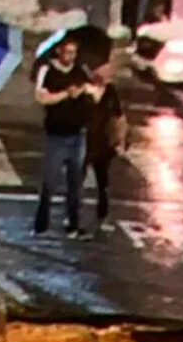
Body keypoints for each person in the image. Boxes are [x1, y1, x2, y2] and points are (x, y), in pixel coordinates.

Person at [33, 37, 92, 239]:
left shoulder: (80, 71)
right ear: (59, 51)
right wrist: (66, 93)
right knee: (49, 182)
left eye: (73, 53)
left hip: (77, 134)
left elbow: (92, 90)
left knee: (75, 183)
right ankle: (41, 225)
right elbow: (41, 97)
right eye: (67, 52)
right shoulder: (47, 70)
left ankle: (74, 224)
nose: (70, 57)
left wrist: (83, 90)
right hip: (56, 136)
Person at [84, 62, 127, 232]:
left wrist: (120, 139)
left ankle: (103, 214)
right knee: (76, 179)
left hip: (102, 141)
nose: (106, 75)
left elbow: (118, 117)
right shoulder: (81, 90)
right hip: (83, 140)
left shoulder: (110, 91)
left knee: (103, 181)